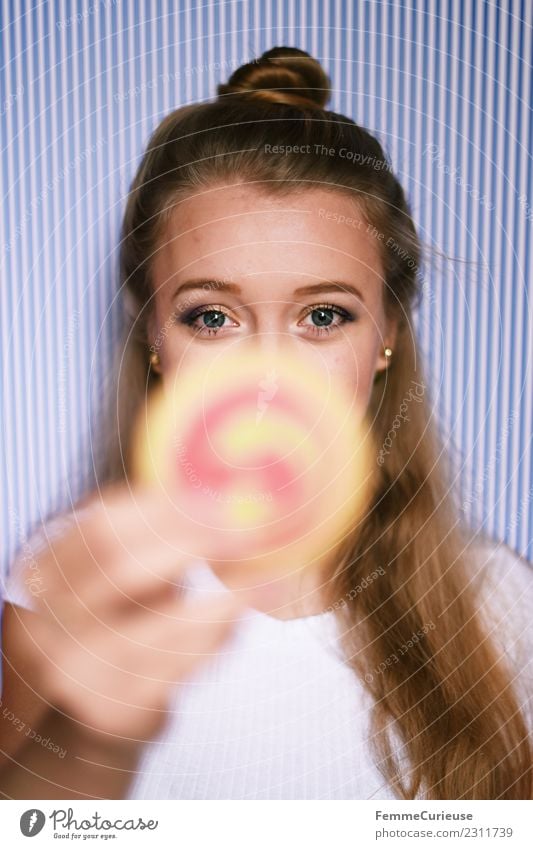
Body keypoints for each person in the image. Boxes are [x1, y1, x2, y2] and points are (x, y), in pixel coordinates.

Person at [1, 46, 532, 801]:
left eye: (323, 315)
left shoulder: (498, 609)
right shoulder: (61, 590)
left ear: (386, 334)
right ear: (152, 333)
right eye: (211, 317)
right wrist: (84, 743)